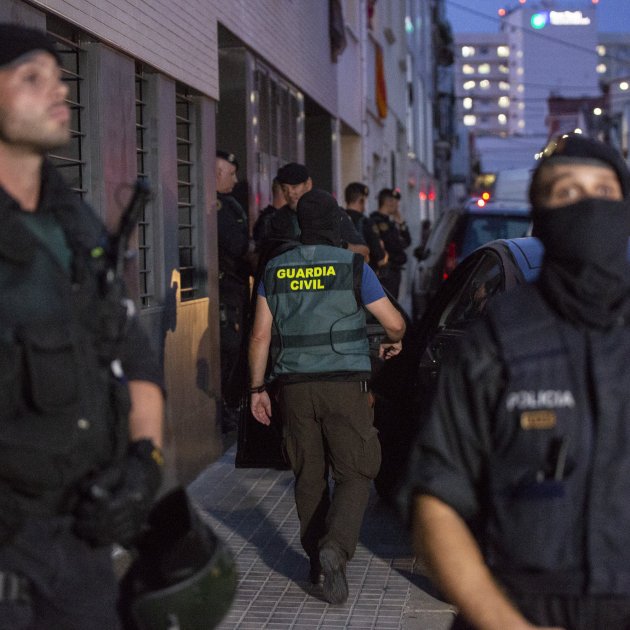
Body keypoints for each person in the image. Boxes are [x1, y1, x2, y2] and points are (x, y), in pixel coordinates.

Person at [406, 133, 630, 630]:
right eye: (567, 192)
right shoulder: (495, 340)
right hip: (516, 610)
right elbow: (436, 503)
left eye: (603, 191)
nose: (587, 206)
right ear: (541, 214)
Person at [0, 23, 164, 629]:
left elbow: (130, 351)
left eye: (59, 76)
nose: (60, 89)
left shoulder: (75, 223)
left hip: (78, 544)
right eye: (31, 77)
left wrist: (144, 462)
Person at [249, 189, 405, 604]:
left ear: (300, 225)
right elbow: (393, 323)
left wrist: (257, 389)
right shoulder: (353, 266)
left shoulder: (275, 268)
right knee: (356, 471)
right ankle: (335, 547)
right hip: (345, 387)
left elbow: (260, 336)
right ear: (336, 223)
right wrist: (394, 340)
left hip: (294, 390)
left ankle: (317, 563)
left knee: (309, 475)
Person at [254, 162, 369, 264]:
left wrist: (339, 245)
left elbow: (363, 251)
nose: (290, 193)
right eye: (285, 189)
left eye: (294, 187)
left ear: (308, 184)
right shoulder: (275, 220)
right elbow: (260, 257)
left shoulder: (332, 213)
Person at [216, 150, 251, 432]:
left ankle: (229, 405)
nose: (235, 180)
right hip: (225, 288)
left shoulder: (229, 204)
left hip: (234, 287)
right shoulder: (219, 207)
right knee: (229, 347)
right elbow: (236, 246)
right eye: (231, 173)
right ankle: (226, 407)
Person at [370, 188, 411, 299]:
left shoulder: (390, 222)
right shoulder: (375, 221)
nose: (397, 206)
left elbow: (407, 242)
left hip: (394, 271)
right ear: (388, 202)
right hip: (386, 272)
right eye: (396, 202)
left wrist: (401, 223)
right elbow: (394, 245)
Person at [344, 181, 387, 272]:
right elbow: (380, 258)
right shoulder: (366, 223)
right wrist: (385, 254)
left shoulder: (338, 219)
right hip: (364, 273)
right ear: (361, 200)